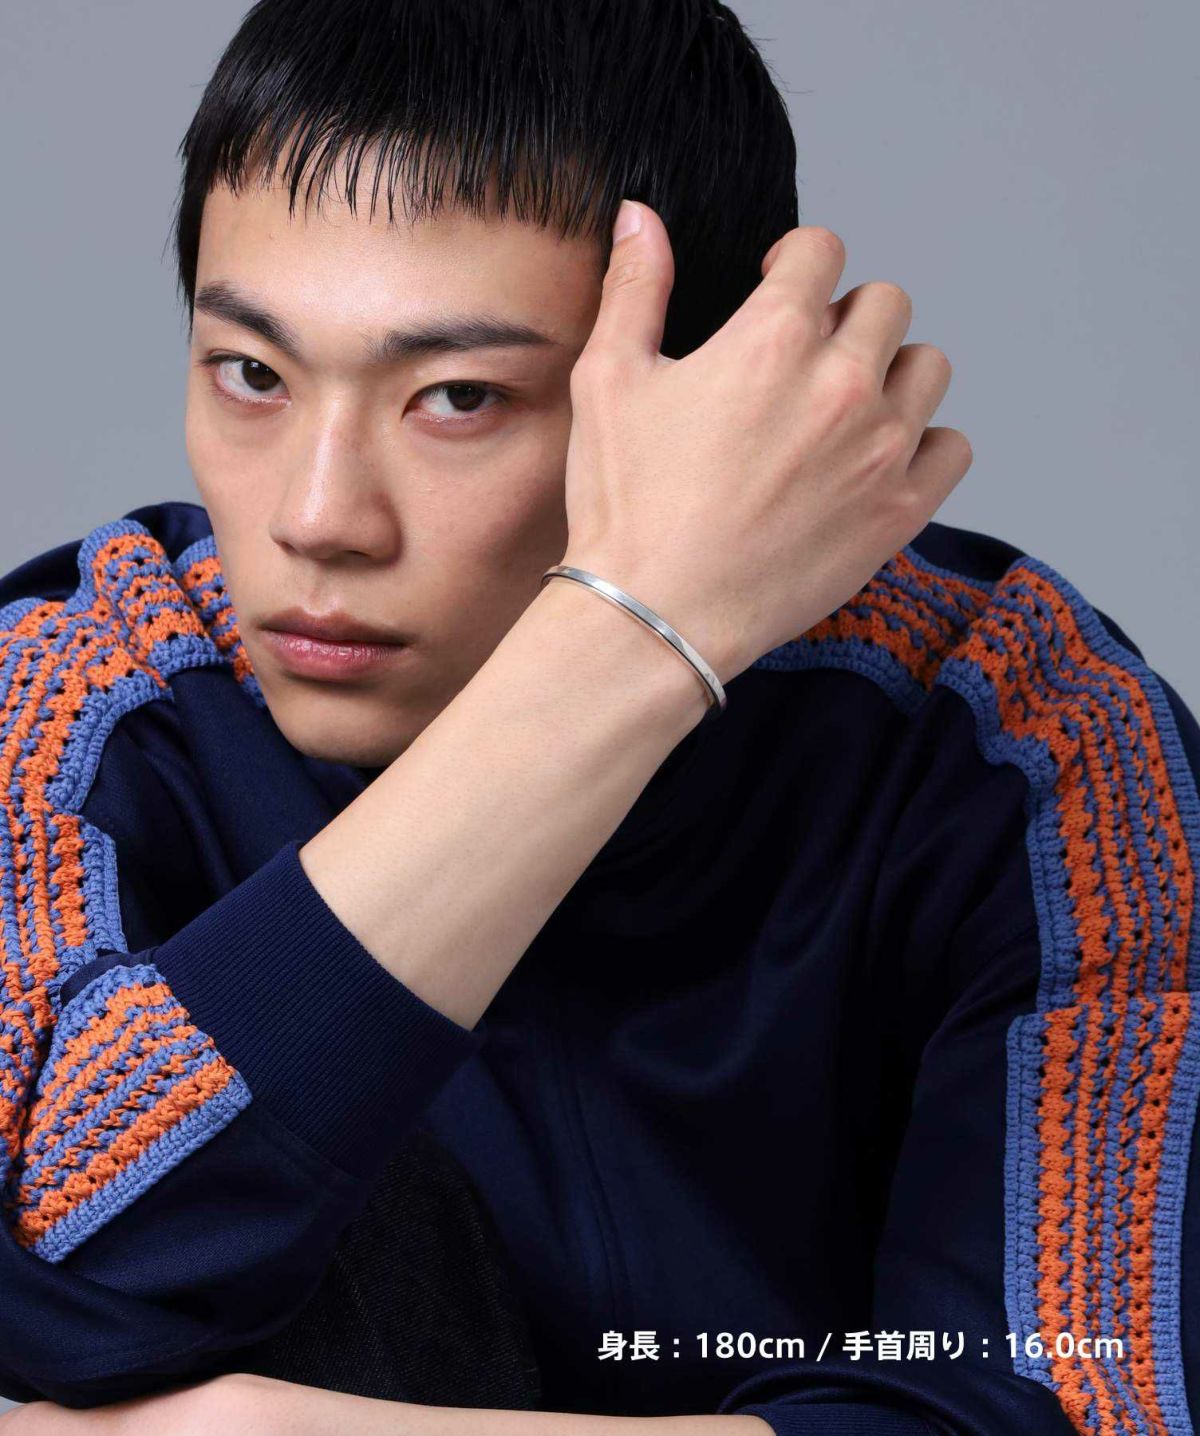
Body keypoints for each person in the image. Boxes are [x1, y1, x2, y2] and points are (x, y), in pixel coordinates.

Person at [1, 1, 1197, 1433]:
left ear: (716, 399)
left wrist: (263, 1433)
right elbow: (54, 1281)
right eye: (252, 374)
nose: (317, 518)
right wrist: (630, 641)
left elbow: (1091, 1399)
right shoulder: (89, 689)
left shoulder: (1016, 726)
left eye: (458, 397)